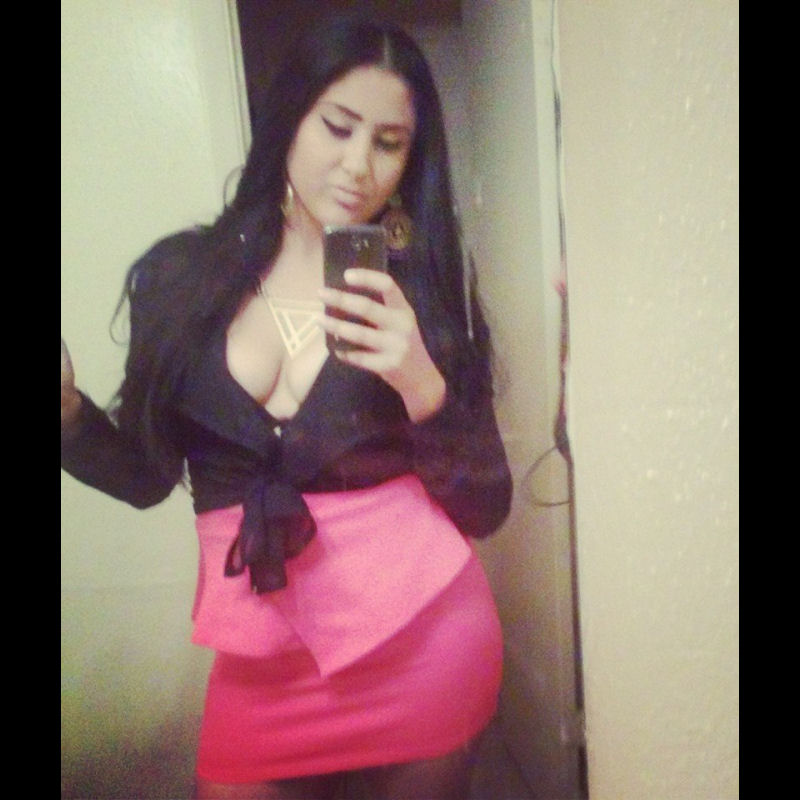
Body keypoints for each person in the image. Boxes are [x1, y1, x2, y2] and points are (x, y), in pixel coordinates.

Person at [61, 12, 512, 800]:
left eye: (389, 143)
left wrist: (421, 384)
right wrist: (66, 414)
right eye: (337, 127)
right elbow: (145, 476)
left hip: (426, 644)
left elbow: (487, 505)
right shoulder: (180, 278)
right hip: (263, 658)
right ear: (290, 117)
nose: (358, 165)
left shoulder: (422, 288)